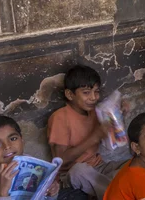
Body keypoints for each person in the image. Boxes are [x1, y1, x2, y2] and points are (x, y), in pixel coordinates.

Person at [47, 65, 127, 200]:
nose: (93, 97)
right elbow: (61, 160)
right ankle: (118, 195)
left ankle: (102, 191)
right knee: (79, 171)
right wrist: (94, 137)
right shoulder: (60, 117)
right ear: (70, 94)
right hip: (71, 174)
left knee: (134, 164)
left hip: (99, 167)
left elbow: (112, 136)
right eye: (86, 93)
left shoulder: (96, 112)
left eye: (96, 91)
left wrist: (119, 114)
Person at [0, 115, 59, 200]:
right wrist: (2, 193)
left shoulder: (32, 165)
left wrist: (51, 193)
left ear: (22, 140)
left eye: (13, 138)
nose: (7, 146)